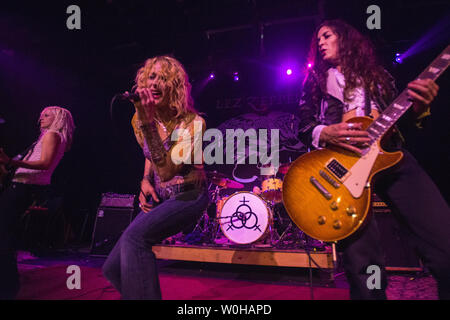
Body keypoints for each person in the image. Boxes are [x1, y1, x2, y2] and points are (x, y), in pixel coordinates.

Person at [297, 19, 450, 299]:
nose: (319, 42)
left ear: (345, 38)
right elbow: (303, 126)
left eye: (327, 35)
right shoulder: (316, 80)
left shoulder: (380, 76)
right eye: (317, 39)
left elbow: (404, 123)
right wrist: (326, 131)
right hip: (342, 168)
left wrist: (420, 108)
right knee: (364, 268)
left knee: (445, 246)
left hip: (390, 156)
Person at [102, 55, 209, 300]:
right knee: (112, 268)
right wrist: (145, 180)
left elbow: (168, 170)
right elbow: (151, 155)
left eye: (164, 78)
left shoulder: (193, 124)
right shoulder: (138, 119)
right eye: (151, 77)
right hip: (162, 197)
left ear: (175, 86)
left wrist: (148, 122)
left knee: (135, 238)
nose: (155, 83)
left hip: (189, 195)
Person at [0, 106, 75, 299]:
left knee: (5, 235)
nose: (40, 118)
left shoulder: (52, 134)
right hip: (24, 187)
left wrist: (11, 162)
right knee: (6, 233)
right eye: (41, 114)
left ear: (58, 118)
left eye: (46, 115)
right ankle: (9, 282)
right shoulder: (50, 137)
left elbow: (44, 164)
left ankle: (8, 285)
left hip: (23, 188)